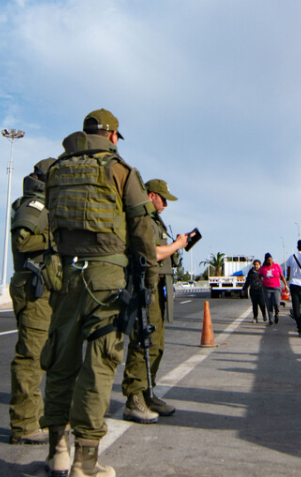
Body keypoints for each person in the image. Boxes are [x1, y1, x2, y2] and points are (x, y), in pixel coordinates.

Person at [40, 109, 159, 477]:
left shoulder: (57, 170)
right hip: (106, 277)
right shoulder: (119, 169)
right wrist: (149, 276)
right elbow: (142, 228)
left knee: (60, 362)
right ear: (111, 136)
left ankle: (57, 450)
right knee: (99, 364)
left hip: (64, 275)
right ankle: (85, 463)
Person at [121, 178, 190, 425]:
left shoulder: (156, 221)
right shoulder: (143, 220)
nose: (165, 205)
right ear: (151, 196)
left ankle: (148, 392)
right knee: (144, 341)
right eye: (163, 199)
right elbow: (153, 252)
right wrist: (177, 245)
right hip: (143, 286)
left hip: (157, 286)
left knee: (157, 344)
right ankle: (134, 398)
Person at [8, 158, 57, 445]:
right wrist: (56, 239)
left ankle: (34, 419)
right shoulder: (34, 206)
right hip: (33, 286)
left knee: (43, 355)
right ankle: (24, 425)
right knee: (32, 356)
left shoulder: (43, 205)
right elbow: (22, 242)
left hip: (43, 287)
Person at [259, 253, 282, 325]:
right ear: (265, 260)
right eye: (268, 260)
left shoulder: (276, 266)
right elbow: (259, 276)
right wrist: (261, 282)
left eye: (271, 260)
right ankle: (271, 320)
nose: (270, 261)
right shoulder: (263, 268)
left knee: (276, 303)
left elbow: (281, 275)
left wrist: (286, 285)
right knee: (269, 304)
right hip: (266, 288)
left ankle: (277, 314)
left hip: (276, 287)